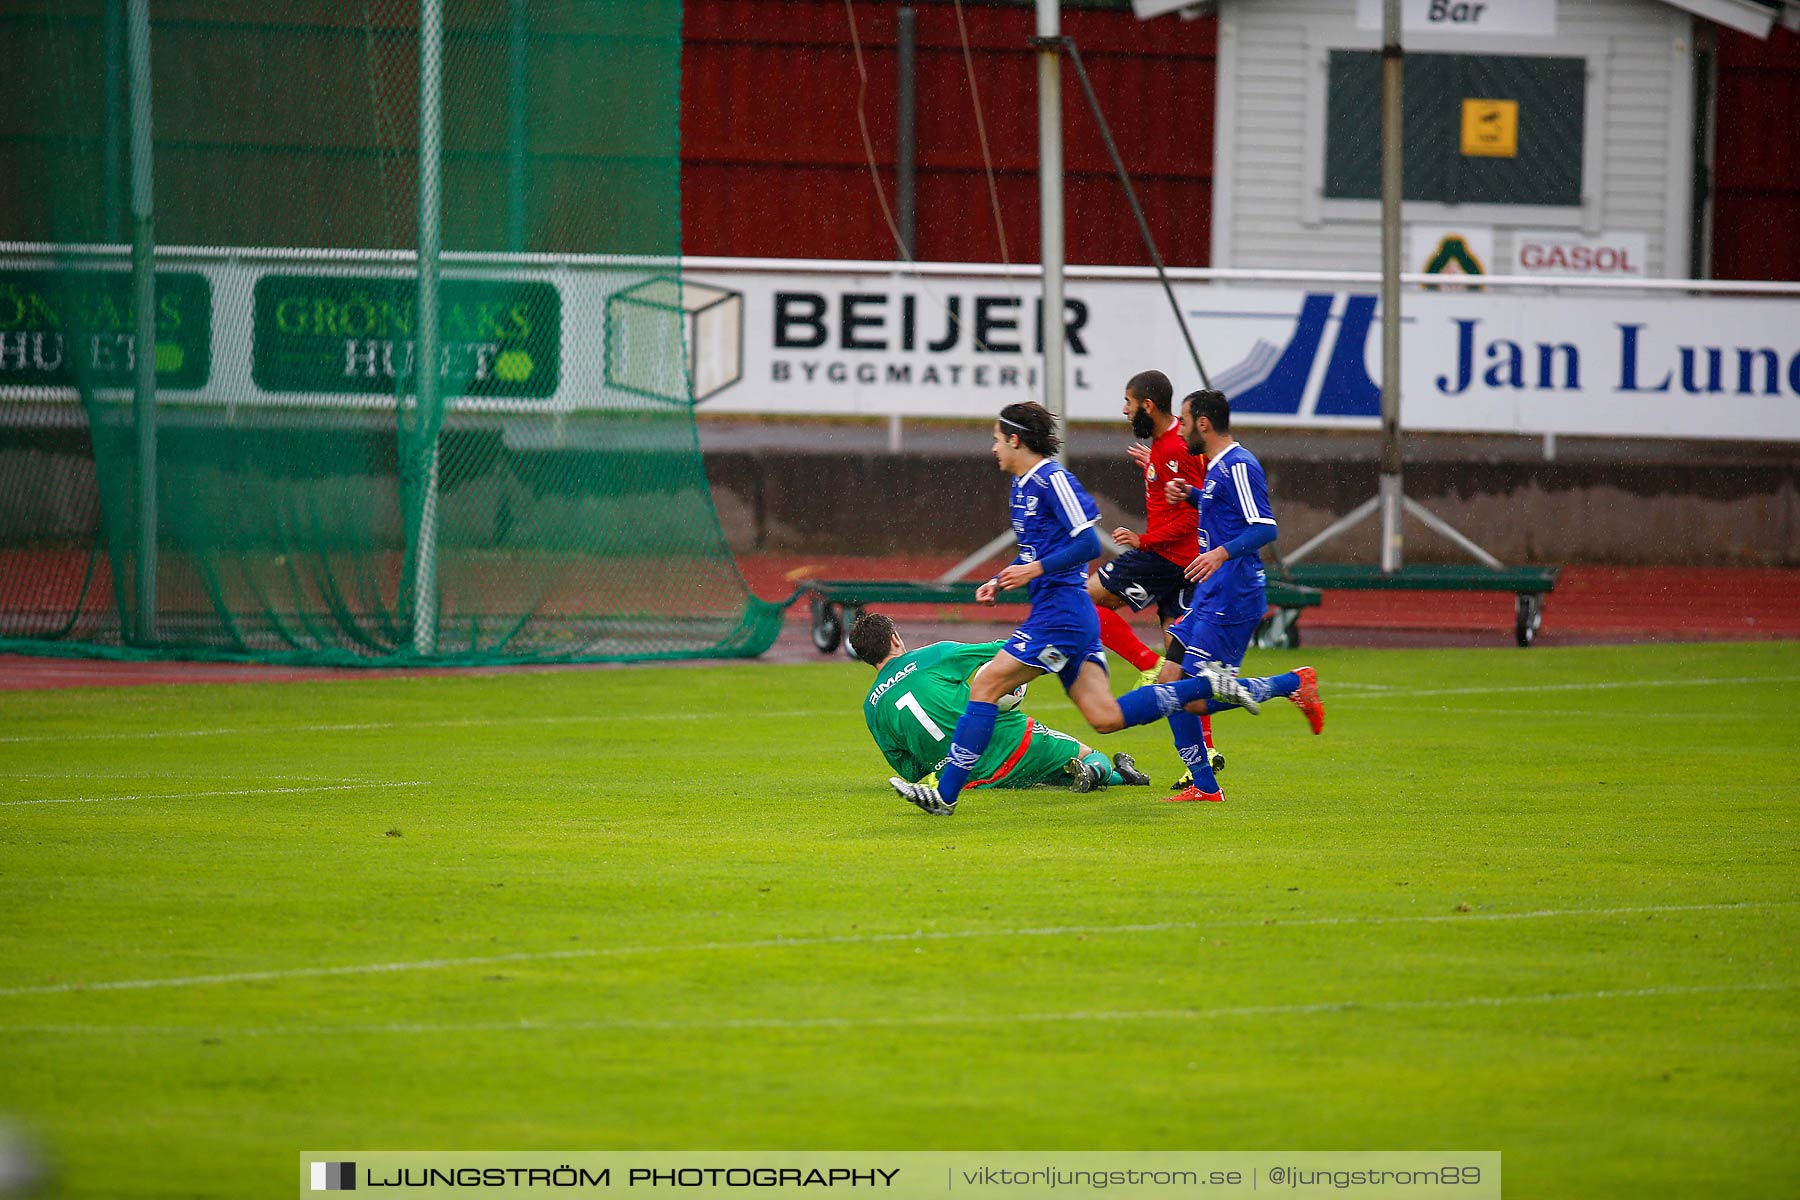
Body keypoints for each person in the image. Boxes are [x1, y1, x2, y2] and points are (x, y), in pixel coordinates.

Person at [887, 400, 1268, 817]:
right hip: (1065, 617)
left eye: (997, 439)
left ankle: (945, 795)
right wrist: (1002, 578)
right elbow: (1038, 551)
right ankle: (1206, 687)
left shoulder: (1053, 480)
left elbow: (1088, 544)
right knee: (1105, 717)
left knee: (986, 686)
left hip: (1061, 615)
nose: (994, 448)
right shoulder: (1020, 487)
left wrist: (1033, 569)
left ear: (1016, 439)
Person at [1155, 388, 1326, 803]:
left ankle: (1292, 683)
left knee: (1192, 700)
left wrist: (1219, 552)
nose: (1181, 432)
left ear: (1204, 423)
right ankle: (1205, 786)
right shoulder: (1215, 468)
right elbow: (1227, 512)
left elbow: (1265, 528)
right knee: (1168, 683)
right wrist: (1191, 496)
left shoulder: (1240, 465)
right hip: (1209, 595)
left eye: (1185, 420)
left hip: (1233, 596)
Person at [1088, 368, 1224, 780]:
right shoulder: (1166, 449)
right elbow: (1180, 484)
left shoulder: (1174, 448)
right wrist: (1156, 465)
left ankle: (1145, 663)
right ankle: (1206, 755)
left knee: (1081, 597)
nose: (1125, 411)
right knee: (1181, 669)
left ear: (1148, 405)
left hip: (1166, 559)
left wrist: (1144, 541)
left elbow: (1194, 511)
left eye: (1129, 403)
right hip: (1183, 564)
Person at [849, 612, 1152, 796]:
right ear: (895, 638)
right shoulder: (933, 655)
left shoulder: (872, 707)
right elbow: (1002, 650)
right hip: (1012, 743)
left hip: (967, 778)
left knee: (1056, 771)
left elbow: (910, 769)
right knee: (1089, 754)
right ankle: (1104, 772)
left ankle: (1119, 773)